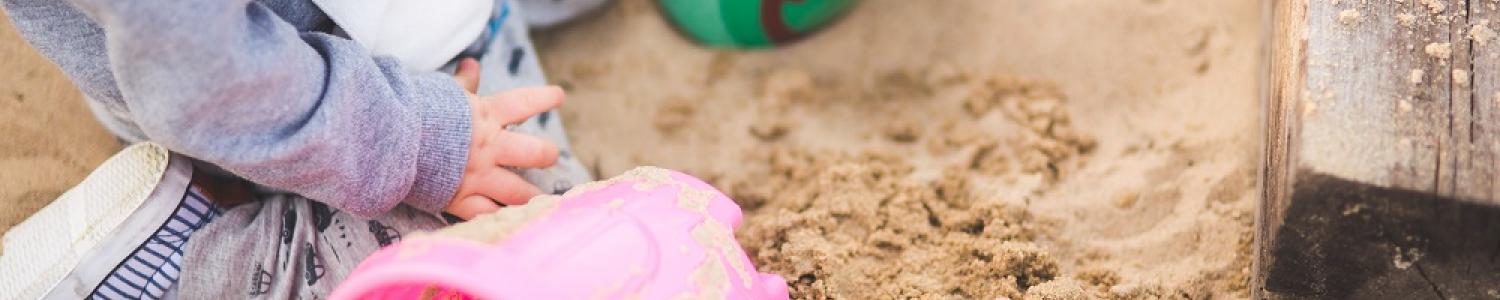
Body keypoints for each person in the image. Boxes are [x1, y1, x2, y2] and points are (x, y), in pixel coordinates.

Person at [1, 0, 608, 297]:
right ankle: (195, 265)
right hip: (299, 102)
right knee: (544, 244)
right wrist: (422, 142)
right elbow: (211, 80)